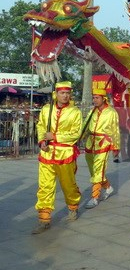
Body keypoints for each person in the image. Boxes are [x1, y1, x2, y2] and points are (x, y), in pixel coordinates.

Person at [32, 81, 82, 234]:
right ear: (56, 94)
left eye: (68, 93)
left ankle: (73, 206)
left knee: (68, 185)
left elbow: (76, 134)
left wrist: (55, 136)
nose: (65, 96)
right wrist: (42, 141)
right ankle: (44, 218)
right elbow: (40, 126)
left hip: (65, 154)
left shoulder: (75, 112)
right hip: (47, 153)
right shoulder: (47, 109)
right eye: (62, 93)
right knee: (45, 186)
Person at [83, 88, 120, 209]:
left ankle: (94, 197)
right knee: (94, 171)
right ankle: (108, 188)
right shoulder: (92, 111)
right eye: (93, 97)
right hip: (90, 143)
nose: (94, 100)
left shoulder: (111, 112)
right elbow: (85, 125)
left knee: (98, 170)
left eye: (97, 98)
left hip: (103, 143)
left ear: (103, 99)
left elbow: (115, 130)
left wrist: (116, 146)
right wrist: (79, 137)